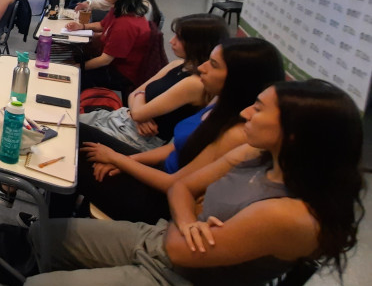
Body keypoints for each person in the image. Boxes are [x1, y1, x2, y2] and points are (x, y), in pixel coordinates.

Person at [23, 79, 364, 286]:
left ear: (293, 134)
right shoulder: (255, 153)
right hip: (163, 238)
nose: (246, 113)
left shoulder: (292, 215)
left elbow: (179, 246)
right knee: (40, 236)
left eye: (259, 110)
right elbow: (181, 189)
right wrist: (190, 220)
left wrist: (187, 216)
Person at [72, 37, 285, 223]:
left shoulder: (236, 133)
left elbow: (177, 184)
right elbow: (171, 149)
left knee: (71, 162)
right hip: (158, 172)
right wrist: (126, 161)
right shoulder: (219, 102)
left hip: (160, 200)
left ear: (239, 78)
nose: (202, 67)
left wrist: (119, 161)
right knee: (74, 132)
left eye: (213, 65)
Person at [79, 14, 229, 152]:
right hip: (123, 119)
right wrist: (140, 111)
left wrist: (139, 107)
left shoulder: (195, 83)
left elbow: (137, 106)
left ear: (198, 44)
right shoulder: (177, 64)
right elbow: (134, 95)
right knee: (65, 120)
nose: (171, 41)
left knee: (72, 131)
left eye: (179, 38)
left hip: (135, 139)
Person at [68, 0, 153, 91]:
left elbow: (105, 60)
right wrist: (81, 26)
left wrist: (77, 67)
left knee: (74, 74)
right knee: (75, 52)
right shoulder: (119, 9)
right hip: (112, 63)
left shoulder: (126, 25)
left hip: (121, 73)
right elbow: (103, 25)